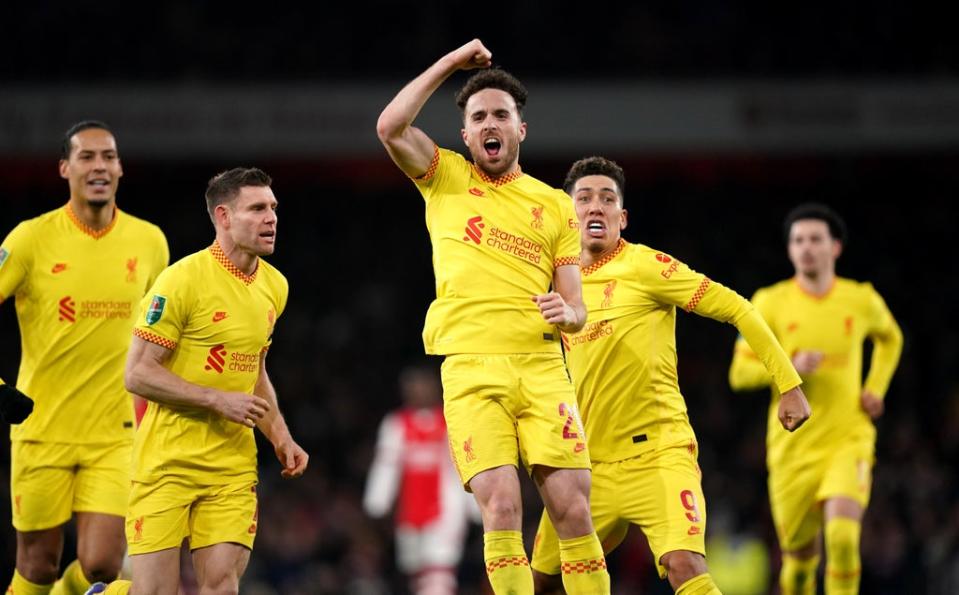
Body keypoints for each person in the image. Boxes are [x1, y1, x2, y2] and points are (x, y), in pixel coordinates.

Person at [376, 39, 610, 594]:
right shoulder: (444, 178)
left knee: (574, 509)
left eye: (501, 114)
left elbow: (576, 306)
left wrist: (569, 314)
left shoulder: (554, 204)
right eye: (478, 115)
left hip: (540, 365)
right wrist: (452, 64)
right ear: (465, 134)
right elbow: (389, 126)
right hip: (471, 370)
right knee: (501, 505)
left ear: (519, 129)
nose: (490, 122)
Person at [529, 156, 811, 595]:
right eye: (583, 199)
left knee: (684, 565)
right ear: (567, 215)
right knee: (537, 580)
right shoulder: (552, 284)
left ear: (622, 218)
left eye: (607, 199)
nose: (595, 207)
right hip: (587, 467)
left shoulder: (646, 267)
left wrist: (789, 384)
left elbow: (738, 308)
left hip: (658, 455)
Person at [89, 167, 309, 595]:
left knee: (221, 585)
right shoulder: (180, 281)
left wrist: (280, 435)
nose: (272, 218)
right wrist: (216, 400)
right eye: (258, 209)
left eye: (274, 208)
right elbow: (137, 373)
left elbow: (255, 370)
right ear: (224, 216)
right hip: (166, 464)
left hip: (231, 466)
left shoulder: (274, 286)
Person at [0, 120, 169, 595]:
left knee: (102, 566)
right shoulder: (30, 240)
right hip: (42, 429)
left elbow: (159, 337)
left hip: (114, 434)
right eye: (87, 157)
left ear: (120, 168)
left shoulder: (150, 242)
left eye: (108, 157)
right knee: (37, 565)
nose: (99, 166)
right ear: (64, 168)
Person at [729, 203, 903, 595]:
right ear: (790, 250)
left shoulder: (861, 300)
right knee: (799, 565)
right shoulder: (769, 302)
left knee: (842, 540)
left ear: (835, 247)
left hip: (848, 437)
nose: (806, 247)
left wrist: (875, 387)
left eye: (815, 239)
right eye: (798, 240)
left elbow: (891, 339)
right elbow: (738, 374)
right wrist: (788, 366)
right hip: (793, 446)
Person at [363, 364, 479, 595]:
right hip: (410, 507)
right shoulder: (396, 423)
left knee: (439, 567)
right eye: (412, 385)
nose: (418, 390)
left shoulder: (451, 420)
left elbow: (464, 463)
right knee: (416, 568)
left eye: (423, 384)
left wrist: (475, 505)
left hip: (447, 506)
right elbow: (386, 465)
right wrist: (377, 502)